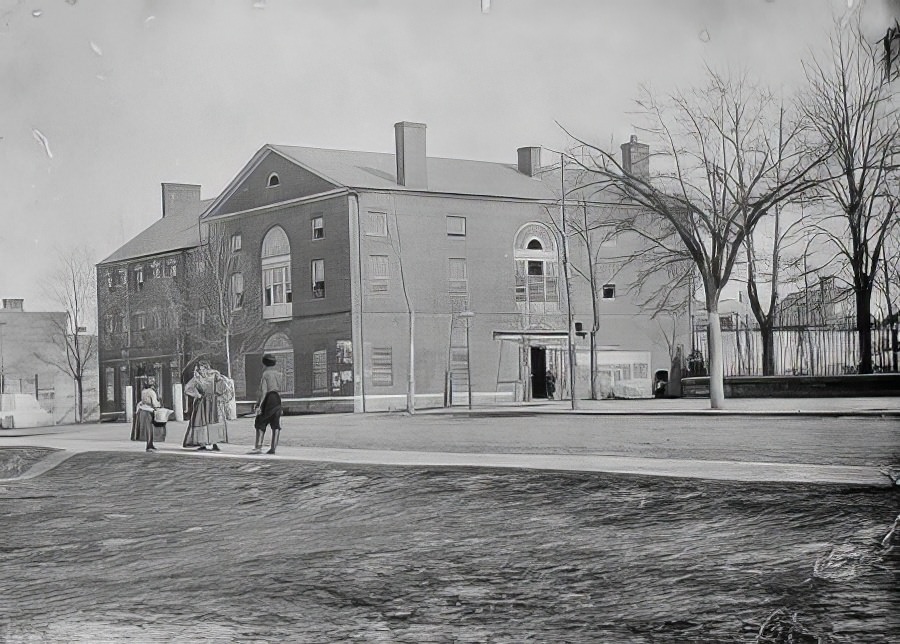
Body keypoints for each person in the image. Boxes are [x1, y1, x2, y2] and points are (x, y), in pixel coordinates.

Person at [182, 361, 233, 451]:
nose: (201, 370)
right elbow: (187, 388)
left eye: (203, 368)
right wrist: (197, 394)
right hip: (202, 402)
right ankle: (203, 443)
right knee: (201, 421)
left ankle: (214, 443)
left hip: (213, 402)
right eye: (200, 368)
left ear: (207, 368)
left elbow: (224, 385)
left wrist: (219, 391)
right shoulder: (197, 378)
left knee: (213, 421)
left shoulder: (214, 375)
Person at [252, 354, 284, 454]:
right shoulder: (279, 374)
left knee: (260, 421)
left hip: (268, 399)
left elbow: (264, 391)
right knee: (275, 423)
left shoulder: (265, 374)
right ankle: (273, 448)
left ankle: (258, 446)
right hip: (277, 398)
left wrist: (259, 405)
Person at [130, 377, 163, 452]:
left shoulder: (143, 391)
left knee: (147, 428)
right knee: (150, 429)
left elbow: (142, 401)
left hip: (143, 410)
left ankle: (150, 444)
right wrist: (159, 406)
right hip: (149, 411)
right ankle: (149, 445)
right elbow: (154, 403)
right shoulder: (152, 392)